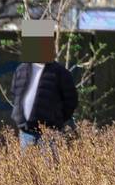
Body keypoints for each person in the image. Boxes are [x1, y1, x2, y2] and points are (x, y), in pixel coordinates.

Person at [11, 19, 78, 149]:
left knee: (49, 168)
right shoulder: (21, 70)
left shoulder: (60, 72)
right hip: (26, 132)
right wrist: (19, 118)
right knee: (26, 168)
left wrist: (57, 120)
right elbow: (15, 94)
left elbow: (71, 100)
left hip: (49, 133)